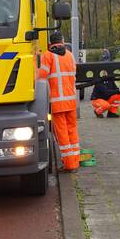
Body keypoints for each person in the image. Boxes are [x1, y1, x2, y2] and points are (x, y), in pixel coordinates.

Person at [39, 31, 80, 171]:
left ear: (50, 43)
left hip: (57, 102)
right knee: (72, 131)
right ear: (62, 41)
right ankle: (75, 161)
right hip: (71, 101)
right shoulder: (70, 55)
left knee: (62, 133)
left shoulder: (48, 55)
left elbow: (41, 78)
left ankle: (68, 165)